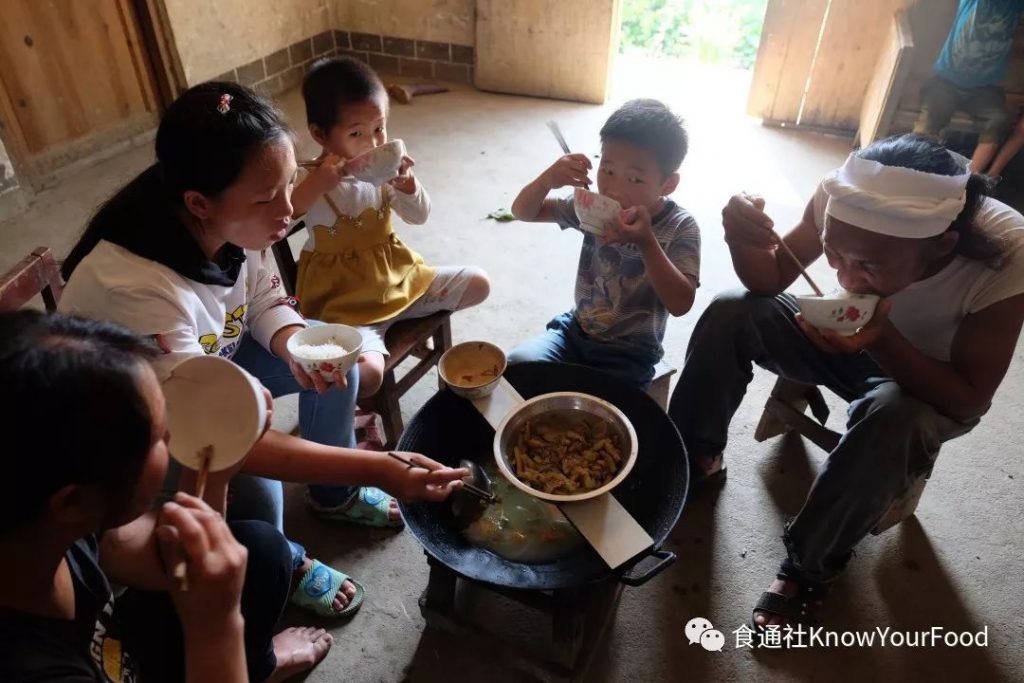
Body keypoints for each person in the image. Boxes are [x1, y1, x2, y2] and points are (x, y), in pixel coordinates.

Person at [58, 82, 467, 620]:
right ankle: (282, 563)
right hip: (141, 427)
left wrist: (293, 346)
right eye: (265, 198)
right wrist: (381, 468)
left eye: (288, 184)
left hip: (209, 366)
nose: (287, 211)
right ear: (199, 203)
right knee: (259, 496)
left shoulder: (233, 221)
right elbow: (219, 432)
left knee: (335, 364)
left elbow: (264, 299)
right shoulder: (134, 287)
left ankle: (332, 496)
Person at [668, 133, 1024, 632]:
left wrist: (882, 340)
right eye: (834, 254)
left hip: (930, 385)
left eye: (868, 266)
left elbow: (968, 400)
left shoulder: (1009, 251)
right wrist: (741, 239)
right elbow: (769, 279)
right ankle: (695, 454)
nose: (847, 278)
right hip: (853, 345)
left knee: (897, 417)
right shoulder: (845, 193)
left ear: (940, 245)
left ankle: (809, 566)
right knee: (731, 311)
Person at [0, 311, 333, 682]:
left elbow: (164, 560)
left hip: (117, 646)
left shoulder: (40, 513)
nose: (172, 438)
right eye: (159, 437)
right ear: (72, 502)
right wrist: (216, 629)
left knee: (262, 550)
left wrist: (214, 471)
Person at [290, 56, 490, 400]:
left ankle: (398, 320)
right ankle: (376, 342)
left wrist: (407, 183)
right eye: (356, 133)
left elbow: (419, 215)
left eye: (379, 129)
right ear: (320, 134)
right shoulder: (309, 180)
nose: (372, 143)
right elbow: (279, 221)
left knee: (479, 283)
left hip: (401, 282)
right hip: (347, 309)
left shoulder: (384, 173)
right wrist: (316, 185)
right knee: (368, 378)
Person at [507, 98, 700, 388]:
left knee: (605, 405)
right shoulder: (591, 207)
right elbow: (523, 211)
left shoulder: (680, 227)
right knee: (517, 366)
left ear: (668, 184)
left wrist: (646, 242)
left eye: (635, 179)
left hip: (631, 354)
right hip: (575, 332)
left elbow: (681, 303)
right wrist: (546, 180)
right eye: (607, 171)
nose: (614, 188)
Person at [913, 0, 1024, 172]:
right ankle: (914, 166)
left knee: (998, 121)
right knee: (929, 121)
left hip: (983, 89)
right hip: (946, 81)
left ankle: (970, 178)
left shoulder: (1015, 5)